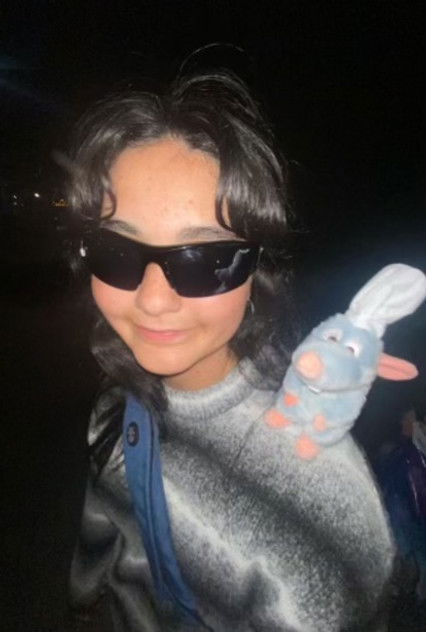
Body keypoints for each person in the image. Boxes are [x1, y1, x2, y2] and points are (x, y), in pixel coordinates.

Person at [67, 71, 394, 632]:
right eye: (116, 251)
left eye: (205, 260)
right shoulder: (119, 400)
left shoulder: (316, 518)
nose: (152, 301)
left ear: (257, 274)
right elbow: (101, 549)